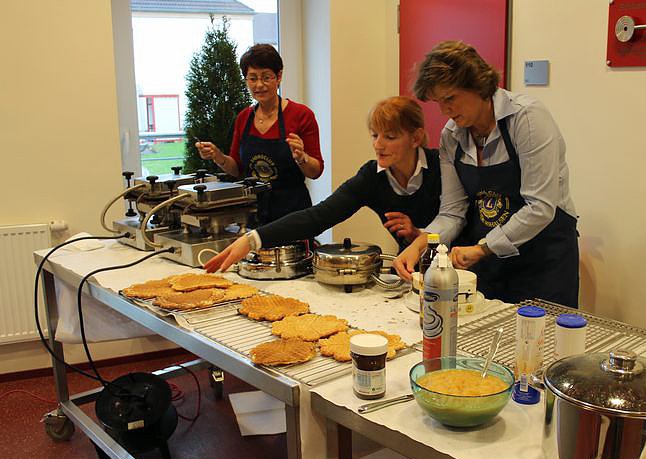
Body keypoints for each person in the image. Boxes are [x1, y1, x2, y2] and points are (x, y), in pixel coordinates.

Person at [393, 41, 579, 306]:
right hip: (489, 263)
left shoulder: (527, 119)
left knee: (543, 342)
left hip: (543, 259)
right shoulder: (452, 136)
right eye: (438, 102)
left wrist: (483, 248)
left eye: (450, 99)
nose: (445, 111)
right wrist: (421, 243)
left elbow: (539, 207)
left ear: (478, 85)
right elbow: (452, 212)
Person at [204, 96, 441, 273]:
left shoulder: (441, 167)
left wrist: (420, 236)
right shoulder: (371, 177)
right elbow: (318, 216)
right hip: (408, 271)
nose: (378, 145)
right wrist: (252, 240)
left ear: (416, 137)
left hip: (457, 273)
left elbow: (459, 222)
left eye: (389, 137)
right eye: (374, 135)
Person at [195, 43, 324, 224]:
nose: (259, 85)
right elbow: (237, 169)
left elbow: (316, 171)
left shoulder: (301, 115)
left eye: (266, 77)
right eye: (252, 78)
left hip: (293, 213)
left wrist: (302, 157)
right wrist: (218, 156)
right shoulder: (243, 118)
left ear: (279, 77)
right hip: (252, 211)